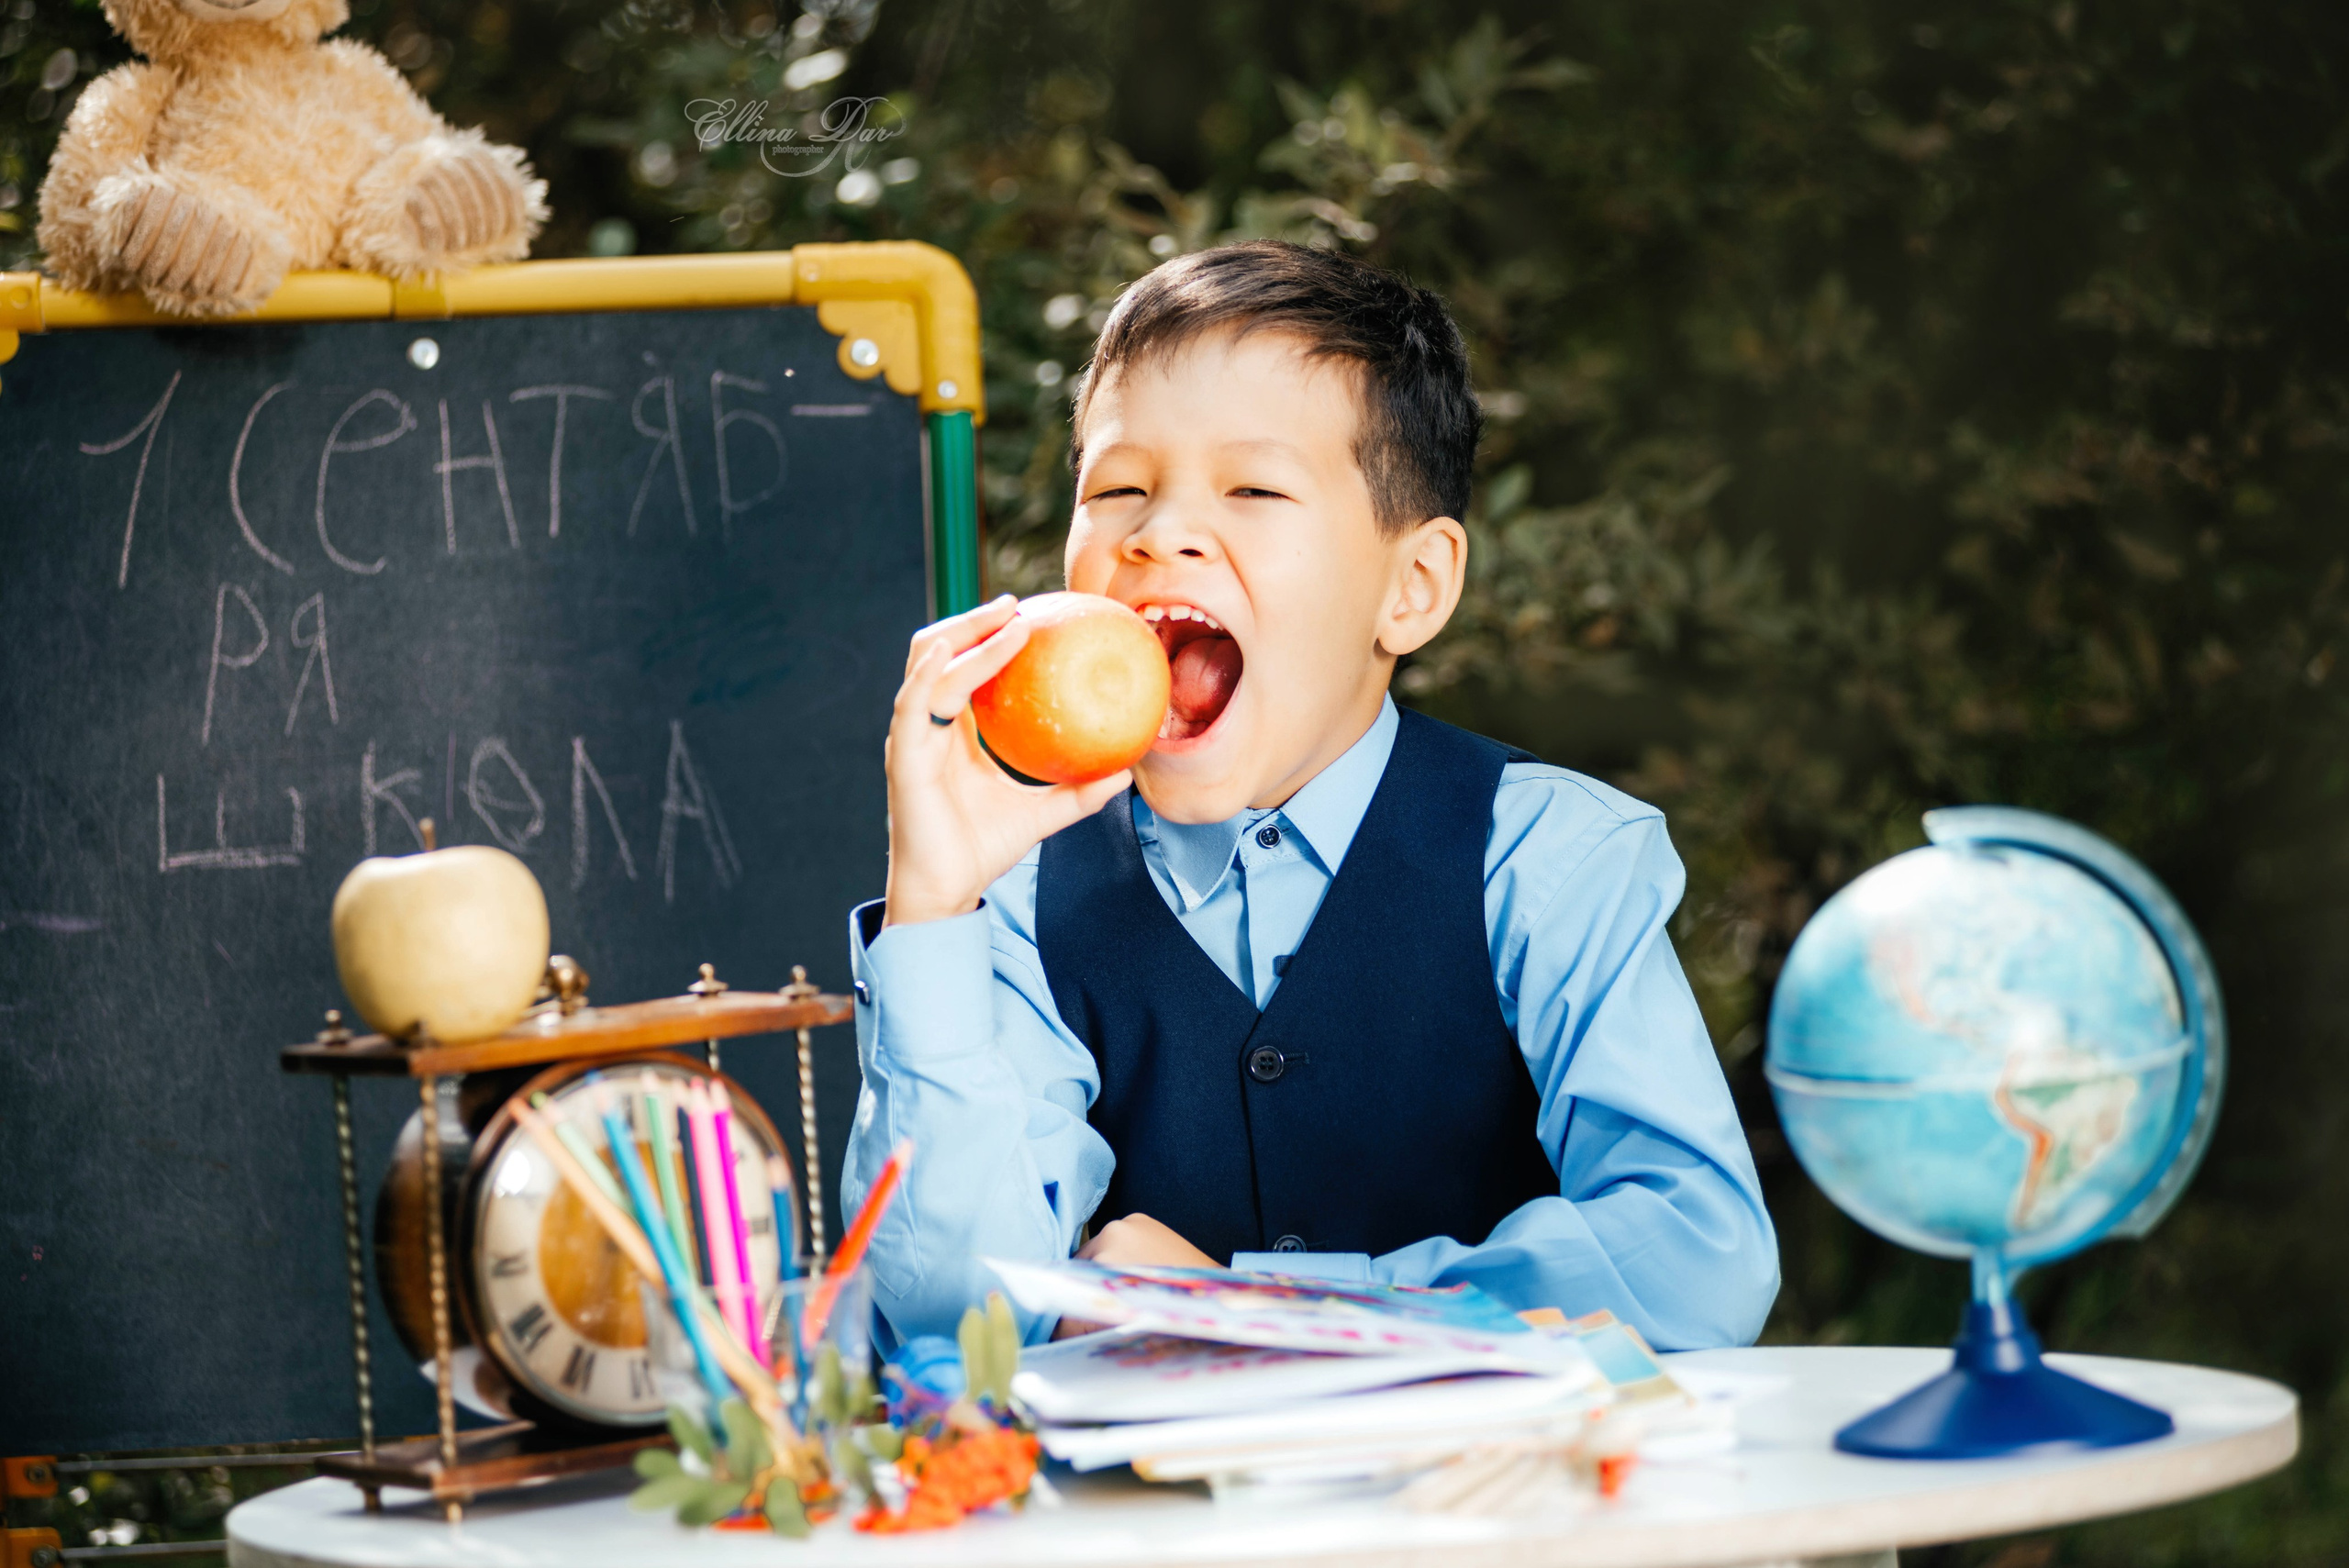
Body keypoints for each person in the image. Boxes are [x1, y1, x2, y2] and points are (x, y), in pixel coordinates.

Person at [840, 239, 1777, 1351]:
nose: (1157, 532)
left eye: (1253, 486)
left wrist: (1267, 1310)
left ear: (1411, 587)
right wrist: (933, 907)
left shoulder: (1542, 858)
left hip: (1494, 1515)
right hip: (1160, 1524)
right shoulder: (1008, 899)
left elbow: (1694, 1263)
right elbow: (957, 1313)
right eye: (1118, 488)